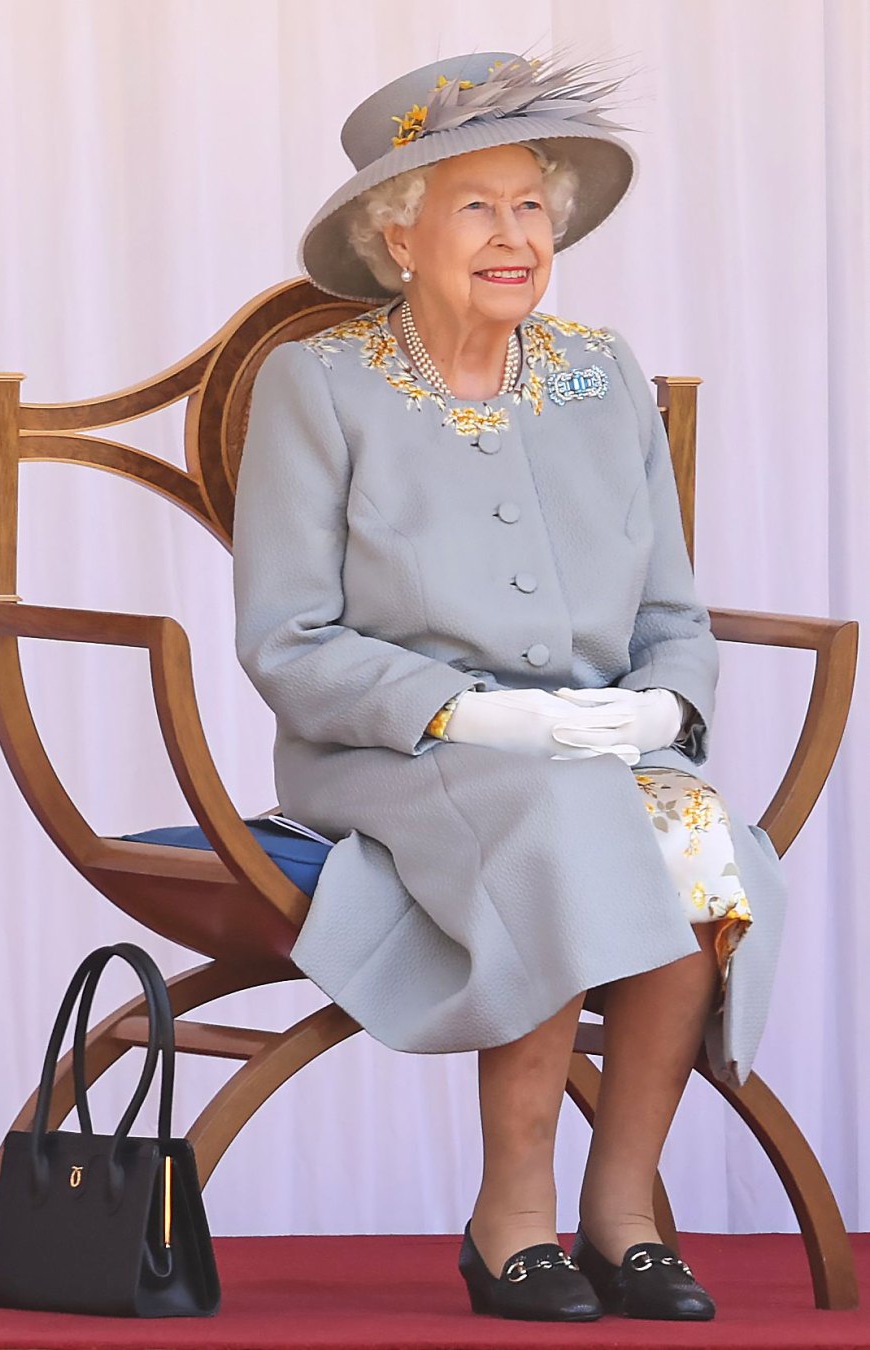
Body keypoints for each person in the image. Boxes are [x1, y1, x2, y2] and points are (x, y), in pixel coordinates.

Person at [232, 50, 788, 1322]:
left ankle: (624, 1213)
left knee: (700, 839)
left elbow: (673, 612)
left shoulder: (602, 375)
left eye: (532, 205)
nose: (514, 235)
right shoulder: (317, 387)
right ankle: (510, 1219)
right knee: (567, 828)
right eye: (475, 205)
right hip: (396, 756)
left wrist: (662, 707)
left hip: (597, 744)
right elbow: (288, 639)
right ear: (398, 232)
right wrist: (471, 713)